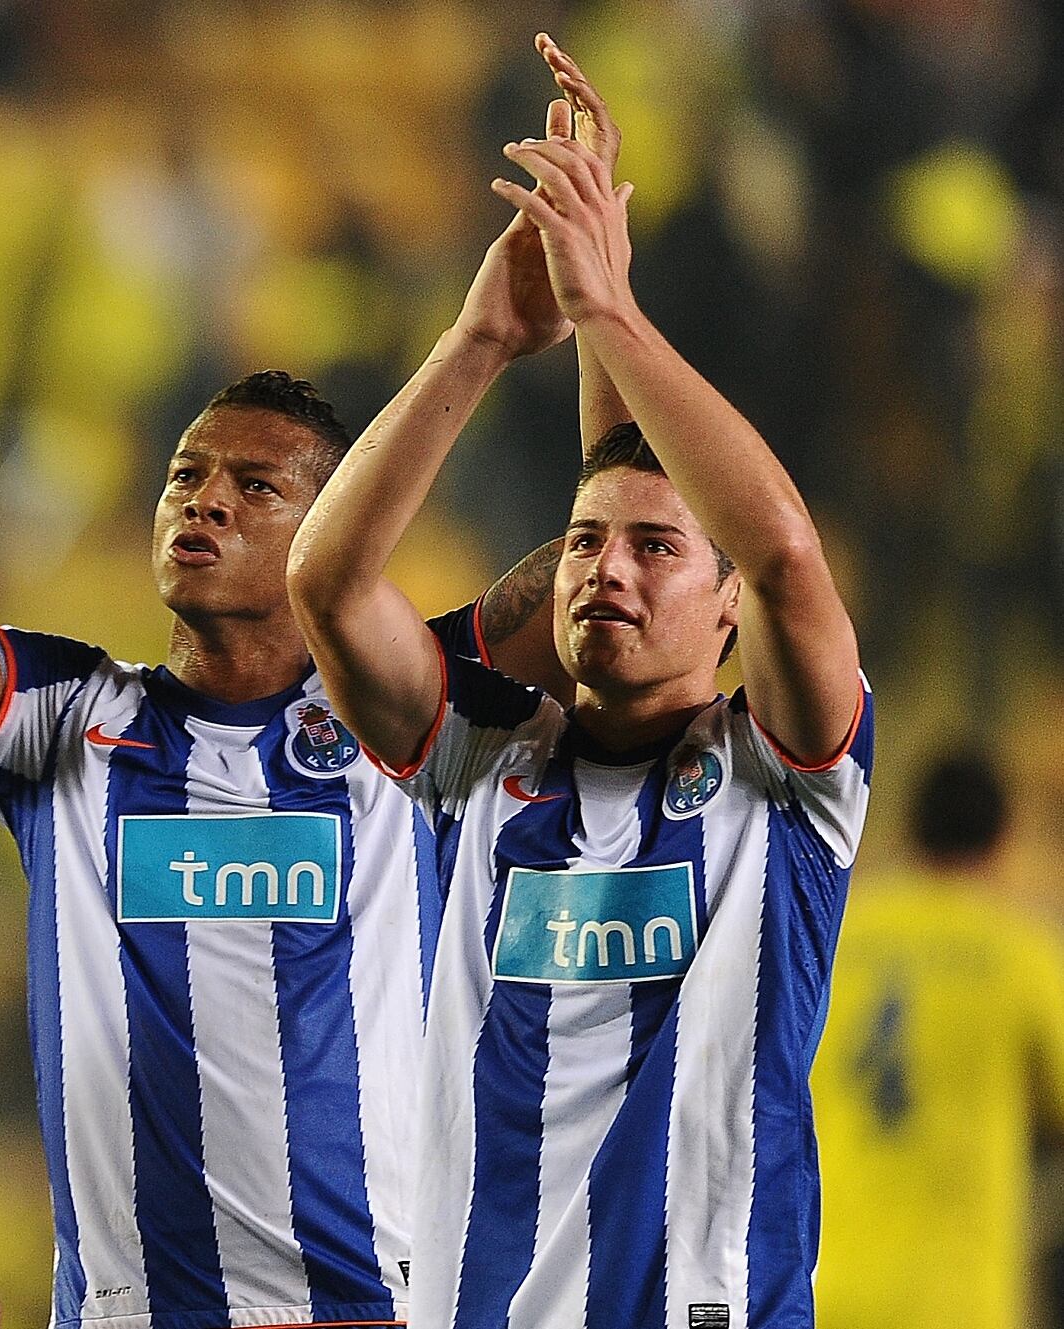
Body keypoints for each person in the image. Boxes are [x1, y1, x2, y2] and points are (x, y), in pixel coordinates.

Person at [0, 91, 577, 1328]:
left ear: (331, 526)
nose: (202, 501)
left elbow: (620, 560)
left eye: (255, 487)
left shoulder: (415, 713)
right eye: (185, 475)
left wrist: (581, 319)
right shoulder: (62, 722)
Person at [287, 34, 873, 1329]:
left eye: (656, 551)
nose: (605, 567)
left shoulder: (785, 777)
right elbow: (324, 583)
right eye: (582, 544)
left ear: (726, 607)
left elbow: (781, 552)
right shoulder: (484, 756)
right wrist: (482, 338)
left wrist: (607, 307)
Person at [814, 750, 1064, 1328]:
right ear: (1004, 840)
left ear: (909, 829)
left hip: (824, 1288)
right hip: (955, 1299)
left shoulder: (836, 934)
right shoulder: (1021, 952)